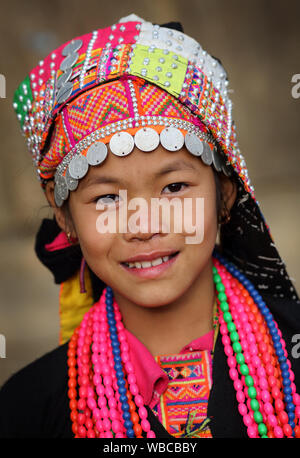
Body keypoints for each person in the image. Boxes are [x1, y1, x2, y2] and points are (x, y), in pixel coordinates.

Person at [0, 13, 300, 439]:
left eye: (174, 187)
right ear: (64, 216)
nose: (143, 226)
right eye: (107, 198)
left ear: (226, 193)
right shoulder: (28, 407)